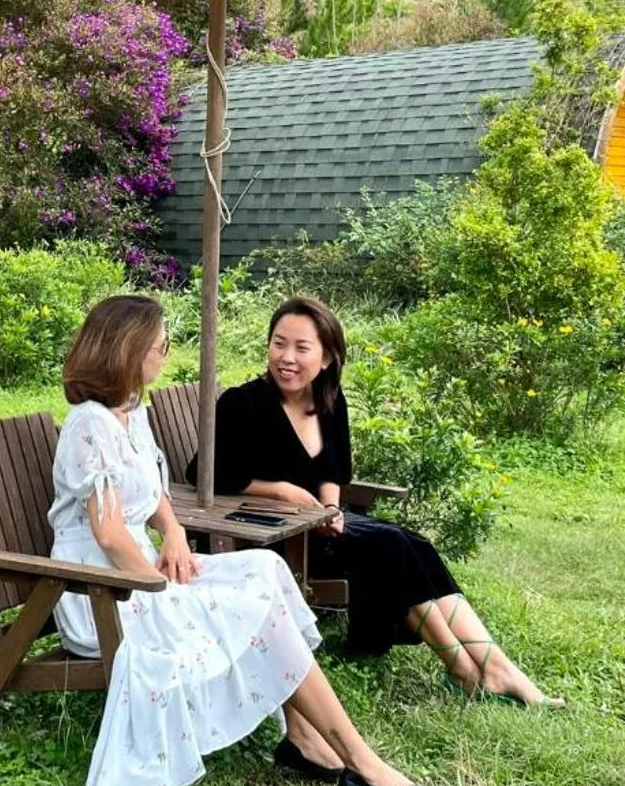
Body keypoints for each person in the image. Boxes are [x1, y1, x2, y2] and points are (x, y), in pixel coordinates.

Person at [50, 294, 418, 786]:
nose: (165, 355)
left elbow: (154, 497)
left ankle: (304, 736)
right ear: (128, 351)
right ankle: (360, 760)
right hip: (102, 590)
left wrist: (174, 534)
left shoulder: (131, 412)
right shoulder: (89, 425)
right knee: (249, 610)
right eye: (160, 346)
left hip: (138, 568)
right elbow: (107, 533)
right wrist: (158, 583)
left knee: (264, 572)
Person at [199, 295, 560, 714]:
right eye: (279, 344)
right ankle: (469, 668)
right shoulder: (242, 404)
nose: (287, 358)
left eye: (301, 348)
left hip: (320, 528)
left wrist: (330, 510)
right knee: (389, 546)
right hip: (271, 539)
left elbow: (334, 472)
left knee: (413, 545)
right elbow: (207, 475)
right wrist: (282, 491)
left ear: (327, 358)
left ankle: (491, 666)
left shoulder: (329, 401)